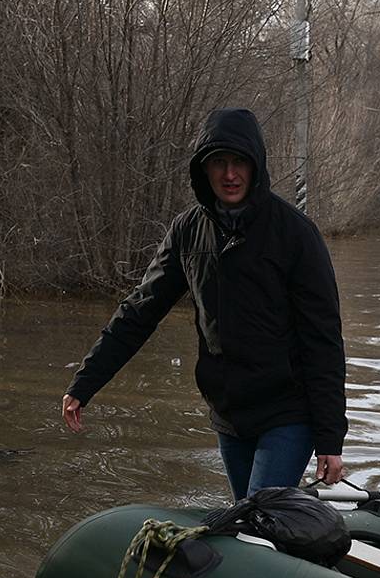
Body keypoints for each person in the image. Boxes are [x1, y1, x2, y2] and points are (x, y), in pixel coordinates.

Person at [61, 106, 347, 500]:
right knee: (246, 515)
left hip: (287, 410)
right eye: (219, 163)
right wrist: (86, 382)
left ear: (256, 165)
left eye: (239, 163)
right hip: (229, 411)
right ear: (204, 169)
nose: (230, 175)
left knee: (258, 521)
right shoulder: (187, 231)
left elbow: (323, 338)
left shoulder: (295, 233)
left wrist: (330, 436)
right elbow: (139, 311)